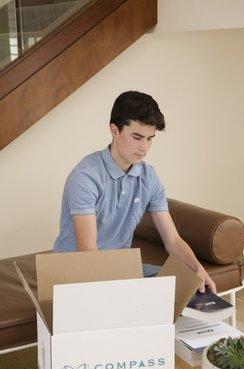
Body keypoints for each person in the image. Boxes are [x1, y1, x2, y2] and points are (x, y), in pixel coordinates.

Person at [53, 91, 216, 293]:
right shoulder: (86, 177)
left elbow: (172, 240)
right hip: (75, 272)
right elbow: (88, 251)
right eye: (137, 137)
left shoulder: (148, 177)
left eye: (150, 138)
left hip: (119, 270)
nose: (144, 147)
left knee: (184, 283)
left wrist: (198, 270)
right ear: (114, 130)